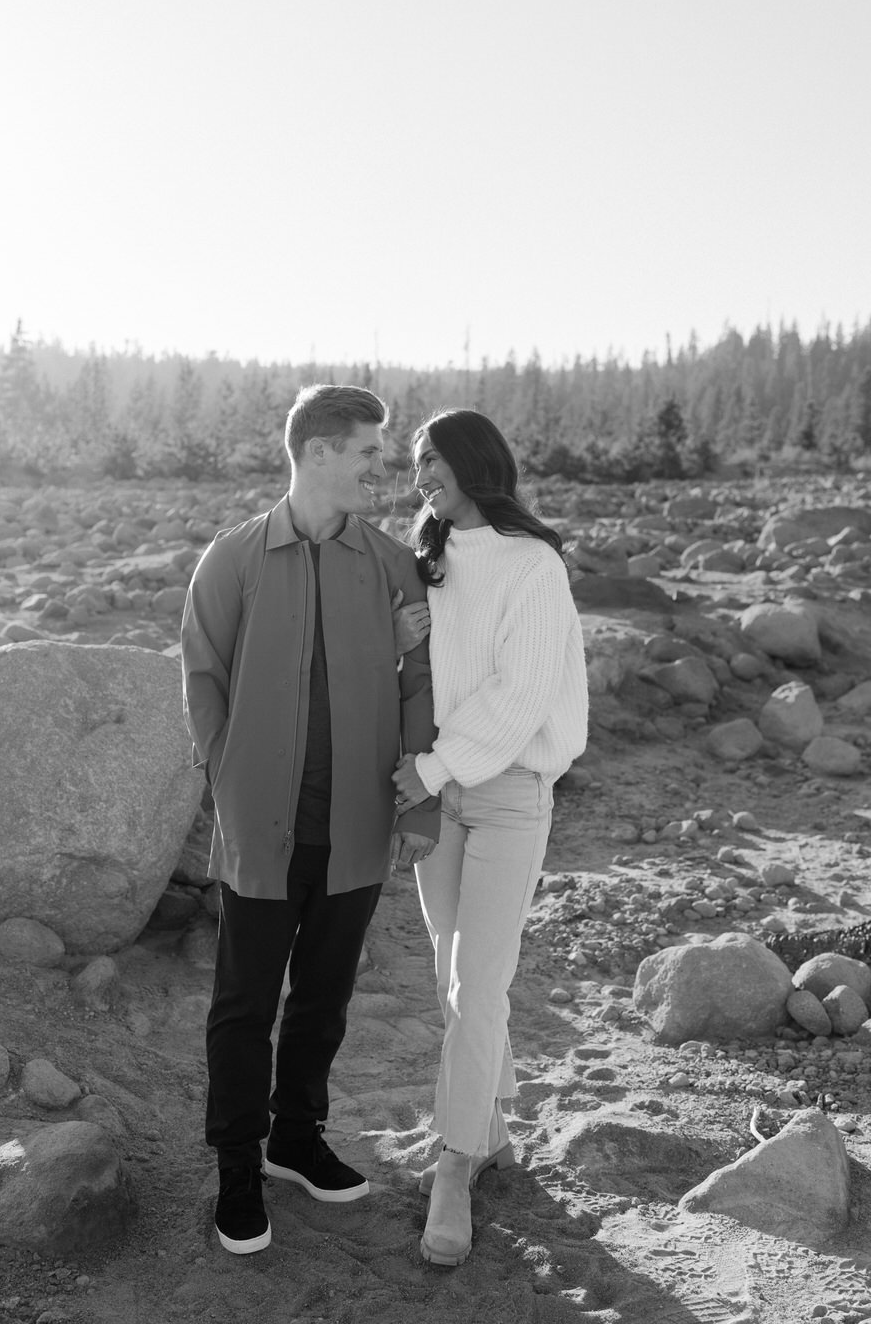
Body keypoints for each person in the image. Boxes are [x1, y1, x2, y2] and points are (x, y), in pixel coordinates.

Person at [181, 383, 439, 1256]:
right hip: (262, 824)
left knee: (325, 996)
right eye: (370, 449)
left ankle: (296, 1139)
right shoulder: (234, 557)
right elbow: (202, 675)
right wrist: (227, 776)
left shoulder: (389, 562)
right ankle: (237, 1169)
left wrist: (421, 801)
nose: (382, 466)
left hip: (359, 822)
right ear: (320, 451)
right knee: (244, 1002)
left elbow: (419, 682)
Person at [391, 408, 588, 1267]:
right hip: (440, 796)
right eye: (413, 462)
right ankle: (490, 1124)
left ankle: (454, 1163)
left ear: (474, 461)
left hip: (506, 793)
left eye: (431, 457)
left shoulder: (533, 565)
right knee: (447, 971)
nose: (420, 473)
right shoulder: (426, 558)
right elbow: (415, 670)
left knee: (480, 981)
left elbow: (518, 695)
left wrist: (431, 770)